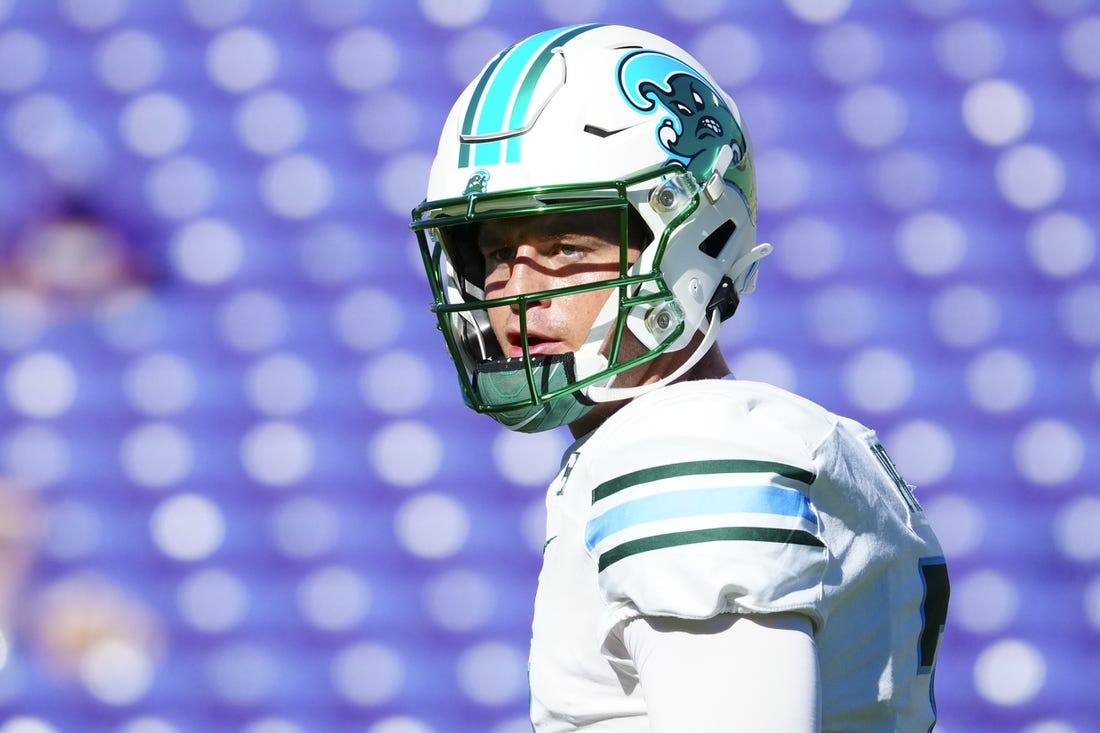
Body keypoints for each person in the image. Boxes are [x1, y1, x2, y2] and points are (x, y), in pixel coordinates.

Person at [410, 24, 949, 732]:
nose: (517, 289)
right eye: (497, 252)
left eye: (567, 246)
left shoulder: (686, 449)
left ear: (698, 240)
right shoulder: (709, 436)